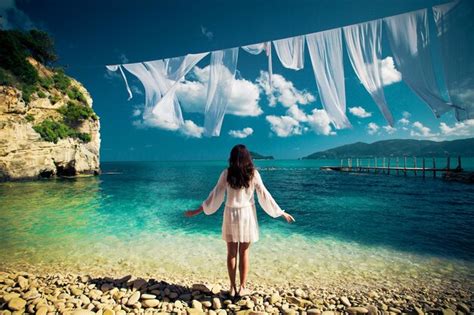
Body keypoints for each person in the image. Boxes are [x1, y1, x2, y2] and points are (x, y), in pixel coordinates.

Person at [184, 144, 295, 297]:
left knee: (231, 253)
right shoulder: (253, 174)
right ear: (248, 158)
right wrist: (280, 212)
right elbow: (264, 194)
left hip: (230, 213)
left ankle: (232, 287)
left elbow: (214, 195)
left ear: (232, 158)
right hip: (247, 214)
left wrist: (198, 210)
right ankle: (242, 287)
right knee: (244, 252)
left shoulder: (226, 174)